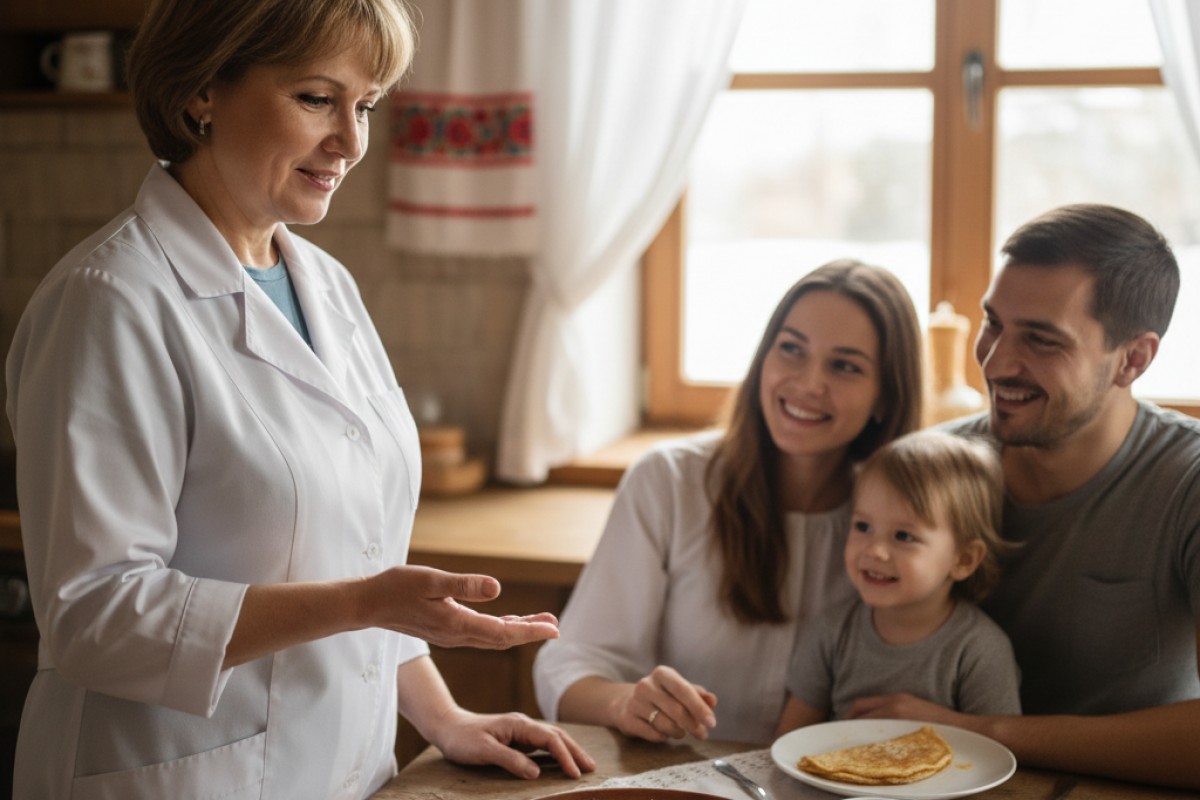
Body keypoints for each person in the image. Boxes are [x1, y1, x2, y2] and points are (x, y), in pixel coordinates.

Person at [4, 0, 594, 797]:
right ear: (201, 92)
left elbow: (355, 557)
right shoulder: (109, 301)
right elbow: (95, 618)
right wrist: (362, 602)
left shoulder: (326, 285)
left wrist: (445, 718)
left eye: (367, 107)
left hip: (340, 774)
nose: (351, 143)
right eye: (317, 99)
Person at [849, 204, 1200, 789]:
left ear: (1132, 359)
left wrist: (980, 730)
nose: (996, 361)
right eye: (993, 324)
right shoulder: (932, 470)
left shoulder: (1187, 482)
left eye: (1041, 339)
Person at [533, 259, 924, 745]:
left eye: (844, 365)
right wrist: (623, 702)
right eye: (791, 350)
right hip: (678, 784)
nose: (808, 383)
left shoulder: (912, 526)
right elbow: (569, 661)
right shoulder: (669, 481)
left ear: (886, 396)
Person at [775, 429, 1020, 735]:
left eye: (904, 536)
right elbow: (787, 742)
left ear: (964, 560)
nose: (875, 550)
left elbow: (996, 758)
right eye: (863, 526)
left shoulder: (980, 651)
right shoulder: (832, 631)